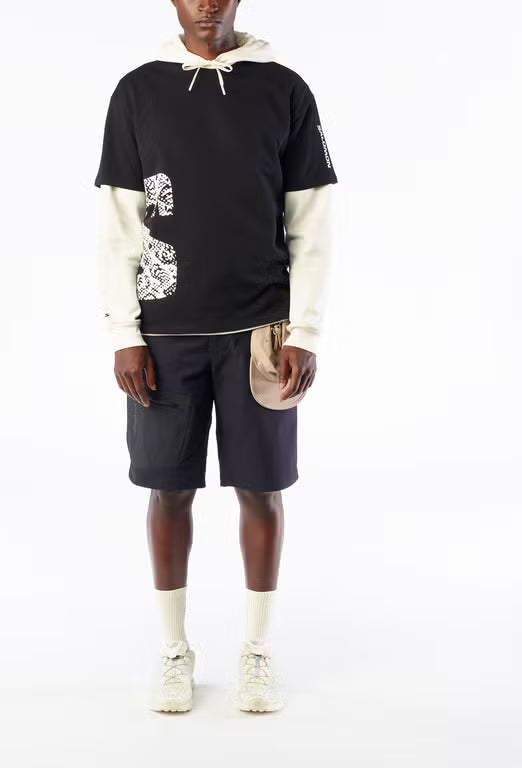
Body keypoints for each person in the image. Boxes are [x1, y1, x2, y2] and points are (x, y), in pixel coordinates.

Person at [93, 0, 338, 713]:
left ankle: (256, 651)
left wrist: (305, 332)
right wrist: (124, 333)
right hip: (165, 335)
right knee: (167, 489)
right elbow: (119, 224)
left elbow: (312, 220)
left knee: (262, 488)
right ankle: (175, 650)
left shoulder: (283, 90)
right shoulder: (139, 92)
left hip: (262, 331)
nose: (207, 4)